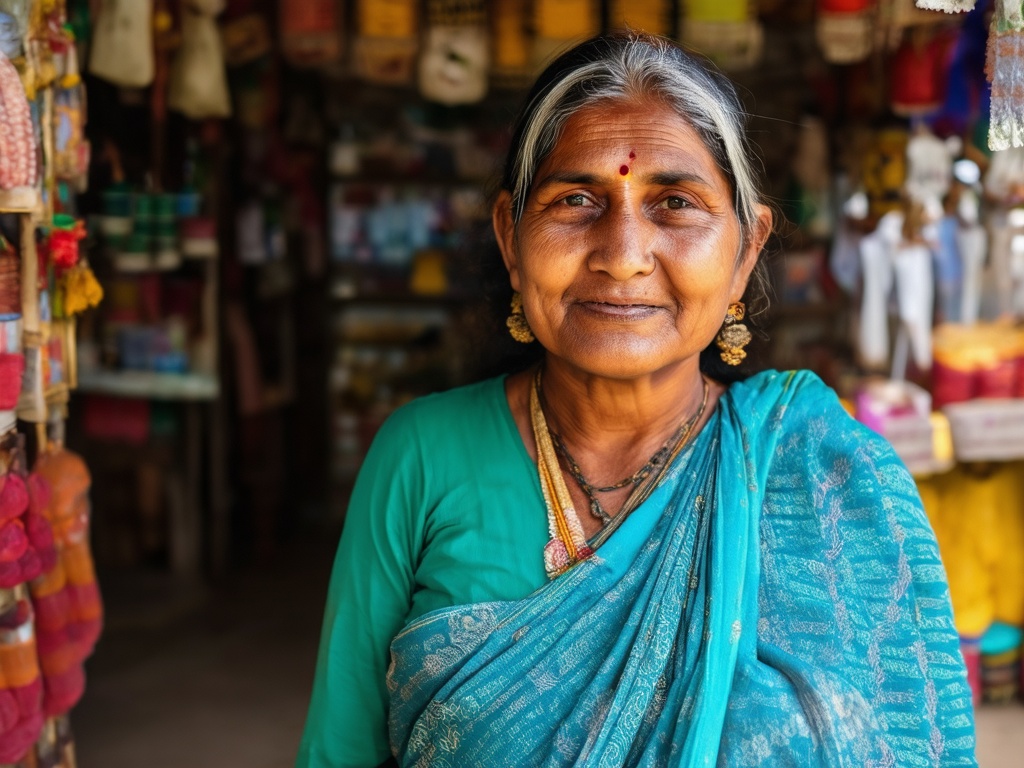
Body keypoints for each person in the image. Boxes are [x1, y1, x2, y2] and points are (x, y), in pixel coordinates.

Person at [296, 33, 977, 767]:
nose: (622, 253)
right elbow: (340, 750)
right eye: (577, 199)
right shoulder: (422, 456)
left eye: (676, 204)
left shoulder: (825, 473)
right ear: (509, 237)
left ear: (746, 249)